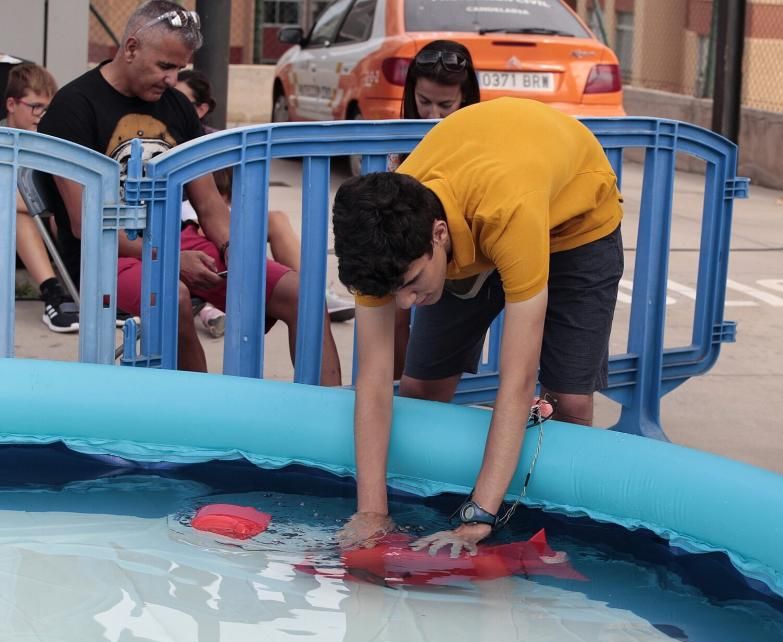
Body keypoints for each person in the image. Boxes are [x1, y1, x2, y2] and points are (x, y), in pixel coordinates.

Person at [332, 98, 624, 555]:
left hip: (573, 224)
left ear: (439, 235)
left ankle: (559, 528)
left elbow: (518, 380)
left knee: (567, 399)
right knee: (422, 390)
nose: (406, 303)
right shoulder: (378, 243)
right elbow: (372, 380)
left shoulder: (509, 210)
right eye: (394, 294)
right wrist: (372, 513)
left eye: (411, 284)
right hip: (476, 208)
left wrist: (476, 517)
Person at [38, 0, 343, 384]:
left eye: (179, 68)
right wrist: (169, 259)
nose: (171, 79)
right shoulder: (73, 106)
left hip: (175, 243)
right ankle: (201, 422)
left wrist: (233, 247)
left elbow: (210, 205)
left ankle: (330, 424)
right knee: (174, 296)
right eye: (165, 66)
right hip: (104, 255)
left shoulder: (177, 106)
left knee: (303, 295)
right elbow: (85, 225)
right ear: (131, 48)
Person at [176, 68, 355, 325]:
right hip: (183, 226)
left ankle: (316, 295)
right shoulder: (160, 134)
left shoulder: (219, 141)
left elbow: (238, 194)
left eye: (181, 101)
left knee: (275, 219)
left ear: (201, 109)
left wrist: (228, 225)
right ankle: (212, 306)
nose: (171, 106)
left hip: (216, 219)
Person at [389, 40, 481, 377]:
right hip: (418, 249)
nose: (433, 115)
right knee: (395, 311)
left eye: (446, 105)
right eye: (424, 102)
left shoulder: (481, 138)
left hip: (469, 258)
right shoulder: (398, 142)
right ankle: (399, 392)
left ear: (466, 99)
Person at [3, 63, 79, 333]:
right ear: (11, 104)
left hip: (46, 235)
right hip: (10, 234)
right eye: (35, 106)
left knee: (62, 210)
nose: (41, 115)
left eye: (47, 108)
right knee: (14, 208)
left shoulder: (50, 140)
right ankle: (52, 294)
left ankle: (79, 286)